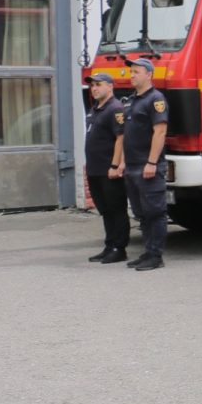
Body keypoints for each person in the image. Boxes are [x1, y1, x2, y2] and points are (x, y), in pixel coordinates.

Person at [122, 57, 169, 271]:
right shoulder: (132, 100)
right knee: (141, 212)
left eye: (137, 72)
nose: (132, 75)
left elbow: (160, 131)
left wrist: (151, 162)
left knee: (155, 211)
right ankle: (148, 251)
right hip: (132, 166)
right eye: (131, 72)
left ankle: (155, 255)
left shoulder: (155, 99)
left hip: (148, 166)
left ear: (149, 75)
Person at [84, 73, 130, 263]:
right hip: (95, 169)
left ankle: (120, 248)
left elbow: (121, 137)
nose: (94, 88)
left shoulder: (115, 109)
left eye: (99, 85)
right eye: (93, 85)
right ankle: (109, 245)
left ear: (110, 87)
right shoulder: (96, 109)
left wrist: (115, 165)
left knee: (116, 208)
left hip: (109, 170)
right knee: (105, 209)